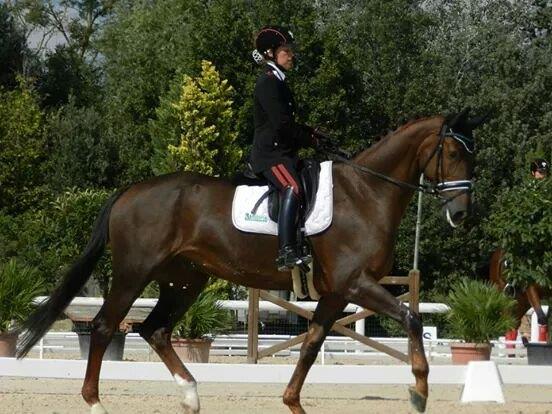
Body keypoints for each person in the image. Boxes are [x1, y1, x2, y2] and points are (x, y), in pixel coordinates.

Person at [249, 26, 327, 272]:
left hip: (282, 153)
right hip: (270, 155)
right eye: (286, 51)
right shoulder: (268, 83)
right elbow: (282, 125)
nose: (291, 55)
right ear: (271, 53)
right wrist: (308, 139)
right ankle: (286, 251)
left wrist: (313, 133)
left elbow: (288, 122)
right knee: (291, 186)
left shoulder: (280, 82)